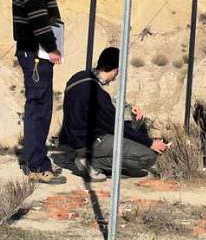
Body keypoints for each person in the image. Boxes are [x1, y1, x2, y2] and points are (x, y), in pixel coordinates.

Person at [12, 0, 70, 184]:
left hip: (33, 50)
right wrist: (52, 46)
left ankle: (34, 159)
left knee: (38, 106)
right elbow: (38, 16)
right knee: (39, 108)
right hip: (36, 52)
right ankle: (37, 166)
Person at [60, 46, 168, 179]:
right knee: (148, 156)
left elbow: (103, 107)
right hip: (90, 141)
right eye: (117, 72)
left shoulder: (78, 77)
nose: (116, 77)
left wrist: (128, 107)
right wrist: (149, 143)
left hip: (72, 138)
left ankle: (83, 156)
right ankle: (91, 162)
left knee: (130, 127)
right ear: (114, 69)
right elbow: (117, 126)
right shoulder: (98, 95)